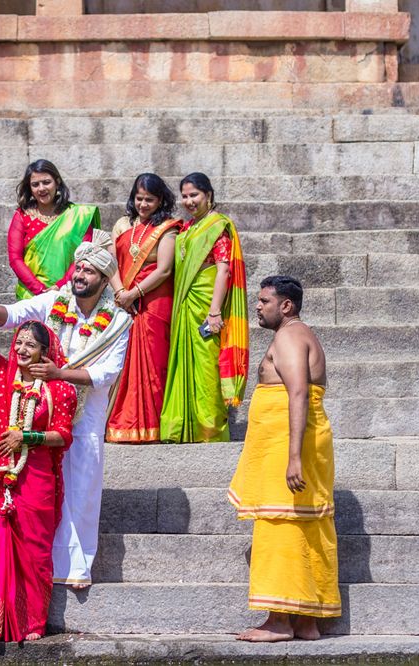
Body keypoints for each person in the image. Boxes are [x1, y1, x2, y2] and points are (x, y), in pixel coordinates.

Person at [0, 233, 131, 589]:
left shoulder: (119, 321)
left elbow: (107, 373)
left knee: (83, 487)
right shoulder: (56, 300)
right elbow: (11, 316)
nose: (80, 275)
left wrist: (60, 374)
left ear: (104, 280)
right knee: (43, 488)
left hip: (87, 412)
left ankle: (76, 568)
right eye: (78, 268)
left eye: (89, 272)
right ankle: (41, 562)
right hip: (40, 409)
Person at [228, 275, 340, 641]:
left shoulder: (290, 335)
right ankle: (306, 621)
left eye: (264, 301)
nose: (257, 307)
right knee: (303, 523)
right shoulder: (296, 334)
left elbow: (297, 393)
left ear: (286, 306)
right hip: (291, 441)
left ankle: (279, 622)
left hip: (290, 446)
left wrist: (293, 458)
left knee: (281, 524)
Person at [0, 318, 77, 642]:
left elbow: (63, 436)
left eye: (31, 344)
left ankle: (32, 622)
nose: (22, 349)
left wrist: (27, 437)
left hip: (36, 476)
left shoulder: (60, 389)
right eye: (19, 342)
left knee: (34, 552)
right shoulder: (2, 375)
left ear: (44, 351)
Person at [160, 172, 249, 443]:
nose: (189, 201)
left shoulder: (217, 226)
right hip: (185, 305)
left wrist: (214, 312)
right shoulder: (187, 228)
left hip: (206, 306)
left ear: (208, 195)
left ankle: (208, 428)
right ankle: (181, 427)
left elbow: (223, 271)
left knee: (206, 365)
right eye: (184, 196)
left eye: (194, 195)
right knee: (184, 363)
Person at [106, 173, 181, 444]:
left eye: (149, 199)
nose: (143, 204)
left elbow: (164, 270)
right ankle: (122, 422)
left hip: (154, 304)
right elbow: (110, 262)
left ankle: (151, 425)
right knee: (122, 359)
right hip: (123, 301)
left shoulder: (168, 228)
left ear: (160, 200)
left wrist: (134, 294)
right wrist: (120, 293)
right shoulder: (123, 224)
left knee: (152, 362)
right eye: (139, 198)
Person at [7, 159, 102, 300]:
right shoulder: (22, 216)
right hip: (30, 296)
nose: (41, 189)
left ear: (57, 182)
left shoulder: (78, 216)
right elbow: (15, 258)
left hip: (69, 292)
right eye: (35, 184)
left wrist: (61, 286)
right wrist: (39, 290)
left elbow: (84, 255)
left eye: (46, 182)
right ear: (29, 188)